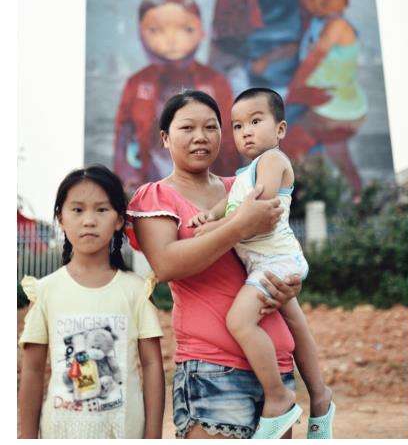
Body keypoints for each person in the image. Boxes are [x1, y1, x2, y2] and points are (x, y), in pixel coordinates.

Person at [125, 90, 303, 439]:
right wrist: (239, 225)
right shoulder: (155, 196)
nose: (201, 137)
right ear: (165, 137)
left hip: (275, 369)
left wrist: (291, 282)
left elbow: (275, 247)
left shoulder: (244, 186)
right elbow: (166, 264)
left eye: (211, 127)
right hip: (211, 370)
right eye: (187, 128)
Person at [188, 88, 335, 438]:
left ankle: (278, 397)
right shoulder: (245, 174)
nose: (246, 132)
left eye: (255, 121)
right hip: (265, 263)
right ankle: (320, 397)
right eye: (238, 126)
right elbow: (231, 203)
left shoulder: (273, 160)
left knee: (239, 321)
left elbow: (259, 211)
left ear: (280, 129)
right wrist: (209, 215)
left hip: (275, 262)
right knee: (296, 323)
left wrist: (214, 229)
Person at [18, 165, 164, 439]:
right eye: (77, 210)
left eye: (101, 209)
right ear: (61, 218)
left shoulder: (136, 290)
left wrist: (153, 436)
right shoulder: (46, 290)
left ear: (119, 220)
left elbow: (152, 366)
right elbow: (33, 370)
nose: (89, 220)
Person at [209, 0, 329, 160]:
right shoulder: (234, 6)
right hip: (248, 100)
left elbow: (322, 56)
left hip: (299, 103)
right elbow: (222, 64)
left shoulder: (309, 6)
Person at [113, 0, 238, 193]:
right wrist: (128, 179)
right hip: (151, 185)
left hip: (208, 189)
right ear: (140, 33)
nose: (171, 40)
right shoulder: (137, 83)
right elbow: (123, 139)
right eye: (156, 30)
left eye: (185, 29)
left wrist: (228, 188)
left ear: (202, 31)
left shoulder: (215, 82)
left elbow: (230, 141)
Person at [289, 0, 368, 200]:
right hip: (341, 107)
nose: (318, 2)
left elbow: (315, 57)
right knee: (339, 156)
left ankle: (302, 196)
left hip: (335, 106)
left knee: (292, 145)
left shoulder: (337, 25)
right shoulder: (319, 23)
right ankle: (359, 197)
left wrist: (294, 90)